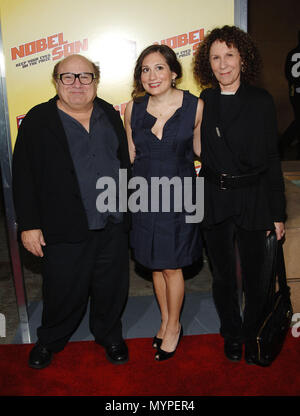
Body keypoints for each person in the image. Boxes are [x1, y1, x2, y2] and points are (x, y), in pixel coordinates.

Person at [12, 54, 131, 369]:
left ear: (95, 81)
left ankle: (109, 334)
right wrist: (29, 225)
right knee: (62, 290)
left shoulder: (109, 113)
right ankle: (50, 339)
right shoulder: (38, 120)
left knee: (111, 287)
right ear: (56, 81)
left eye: (85, 76)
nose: (77, 83)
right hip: (63, 226)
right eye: (68, 76)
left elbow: (124, 165)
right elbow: (23, 176)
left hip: (112, 223)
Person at [193, 25, 286, 364]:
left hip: (253, 197)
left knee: (256, 276)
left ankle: (253, 333)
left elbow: (273, 160)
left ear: (243, 59)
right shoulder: (204, 101)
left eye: (229, 55)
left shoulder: (261, 101)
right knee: (223, 277)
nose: (223, 64)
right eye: (215, 57)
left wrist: (278, 214)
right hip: (215, 197)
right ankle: (231, 334)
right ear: (208, 64)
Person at [124, 44, 203, 361]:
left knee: (172, 266)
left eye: (158, 68)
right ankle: (165, 320)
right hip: (144, 197)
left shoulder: (196, 107)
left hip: (180, 197)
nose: (151, 75)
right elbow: (129, 156)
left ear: (173, 72)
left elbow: (203, 151)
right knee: (155, 264)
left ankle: (173, 326)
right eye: (145, 69)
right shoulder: (132, 109)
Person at [279, 29, 300, 159]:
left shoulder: (292, 53)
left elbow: (287, 73)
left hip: (294, 92)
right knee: (298, 122)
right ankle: (281, 144)